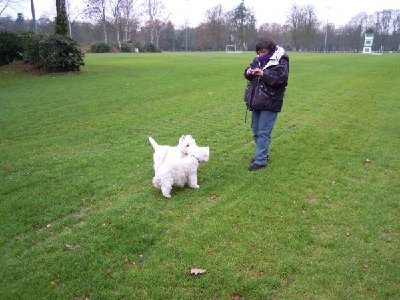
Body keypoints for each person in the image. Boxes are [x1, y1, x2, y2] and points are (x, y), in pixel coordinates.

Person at [244, 37, 289, 171]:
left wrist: (263, 73)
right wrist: (248, 72)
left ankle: (261, 160)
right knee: (256, 130)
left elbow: (281, 79)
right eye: (259, 51)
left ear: (270, 49)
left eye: (263, 51)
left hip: (271, 100)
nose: (261, 54)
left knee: (263, 132)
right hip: (257, 100)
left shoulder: (281, 59)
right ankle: (262, 154)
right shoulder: (258, 59)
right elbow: (250, 71)